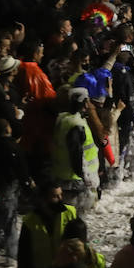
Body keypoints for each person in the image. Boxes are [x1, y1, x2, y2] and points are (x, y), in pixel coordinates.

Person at [54, 87, 101, 215]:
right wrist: (84, 176)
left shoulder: (63, 119)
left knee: (65, 215)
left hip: (61, 174)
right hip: (75, 179)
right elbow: (76, 153)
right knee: (75, 216)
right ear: (85, 103)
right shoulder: (77, 125)